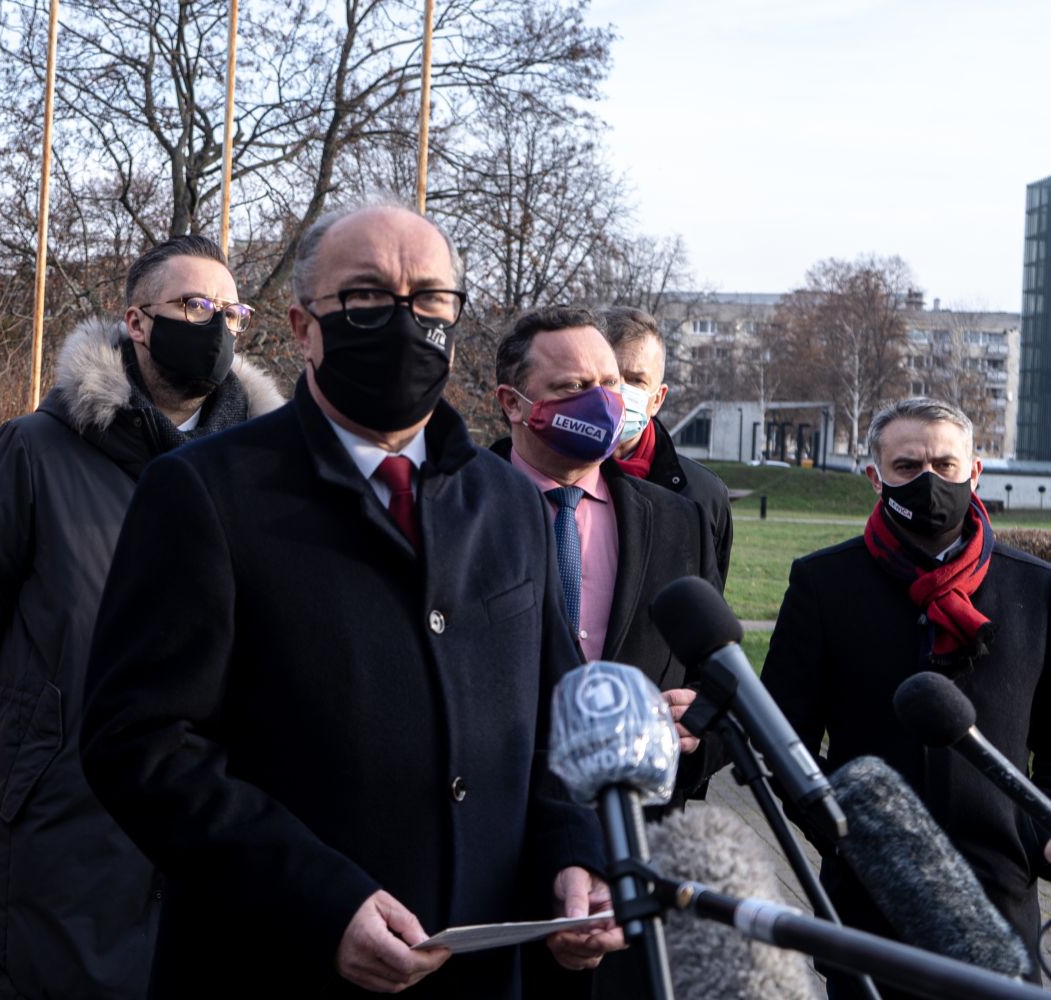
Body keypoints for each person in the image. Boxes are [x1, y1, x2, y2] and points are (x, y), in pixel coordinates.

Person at [79, 200, 621, 997]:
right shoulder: (202, 491)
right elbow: (139, 745)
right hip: (276, 965)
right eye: (366, 296)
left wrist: (573, 854)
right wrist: (317, 902)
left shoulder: (506, 501)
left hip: (478, 971)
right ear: (303, 328)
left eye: (429, 299)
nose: (404, 321)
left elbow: (554, 720)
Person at [0, 234, 285, 998]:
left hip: (214, 831)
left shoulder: (262, 472)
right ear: (137, 322)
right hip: (65, 835)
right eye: (193, 305)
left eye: (231, 312)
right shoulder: (32, 451)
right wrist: (35, 754)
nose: (215, 326)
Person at [764, 397, 1051, 997]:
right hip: (869, 898)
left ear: (975, 472)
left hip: (999, 890)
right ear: (875, 477)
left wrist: (1034, 833)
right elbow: (781, 736)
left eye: (945, 465)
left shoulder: (1035, 587)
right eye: (907, 466)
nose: (929, 480)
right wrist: (846, 832)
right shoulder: (823, 583)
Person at [491, 305, 722, 1000]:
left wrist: (700, 726)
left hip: (632, 869)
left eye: (610, 383)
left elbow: (713, 682)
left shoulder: (677, 519)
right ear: (512, 402)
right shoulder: (456, 506)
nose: (600, 401)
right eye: (572, 387)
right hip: (492, 864)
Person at [596, 306, 733, 582]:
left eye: (636, 380)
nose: (620, 391)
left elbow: (705, 596)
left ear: (657, 399)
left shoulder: (703, 494)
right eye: (610, 378)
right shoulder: (555, 473)